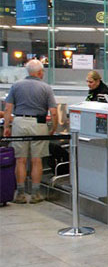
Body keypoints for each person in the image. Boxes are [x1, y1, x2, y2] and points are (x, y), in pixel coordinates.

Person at [3, 59, 57, 204]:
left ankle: (20, 194)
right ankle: (35, 193)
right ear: (39, 72)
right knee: (36, 160)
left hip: (19, 122)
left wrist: (7, 127)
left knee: (20, 159)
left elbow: (8, 108)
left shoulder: (16, 86)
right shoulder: (46, 88)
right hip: (38, 124)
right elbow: (53, 111)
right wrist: (53, 127)